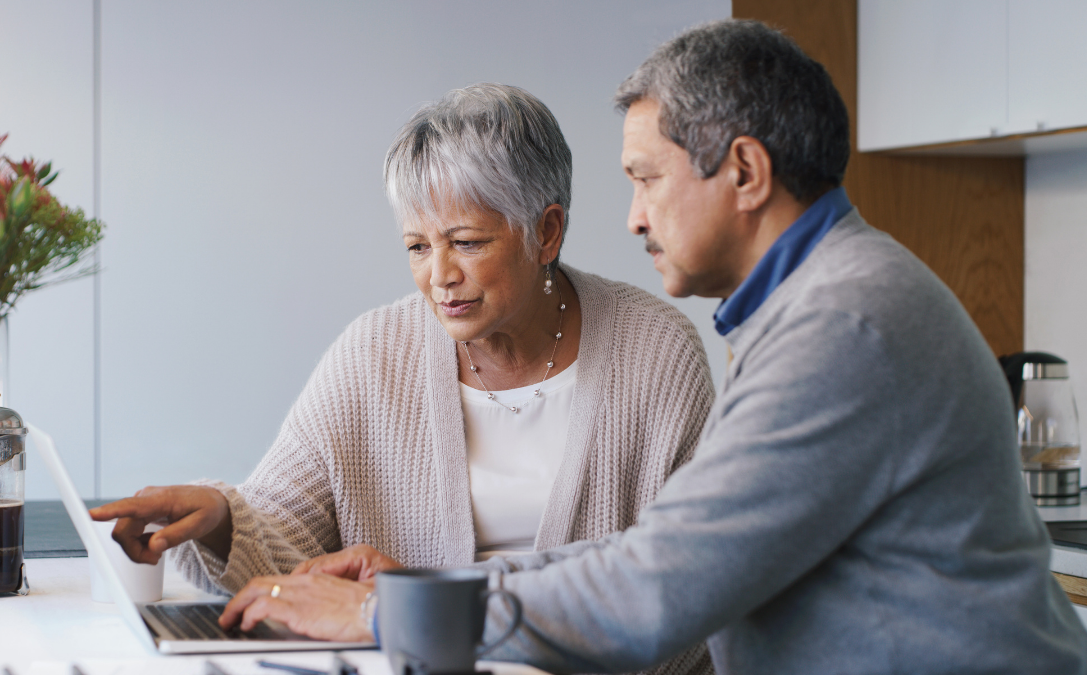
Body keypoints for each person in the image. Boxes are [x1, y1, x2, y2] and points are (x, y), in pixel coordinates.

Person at [218, 20, 1087, 674]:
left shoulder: (842, 326)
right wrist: (417, 591)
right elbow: (656, 549)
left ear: (744, 173)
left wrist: (385, 613)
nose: (632, 216)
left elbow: (657, 588)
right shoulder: (820, 304)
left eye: (646, 179)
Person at [90, 83, 715, 671]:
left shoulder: (657, 352)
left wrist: (416, 611)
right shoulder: (373, 351)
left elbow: (685, 585)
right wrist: (222, 516)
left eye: (466, 242)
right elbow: (287, 531)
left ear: (546, 232)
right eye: (418, 247)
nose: (438, 276)